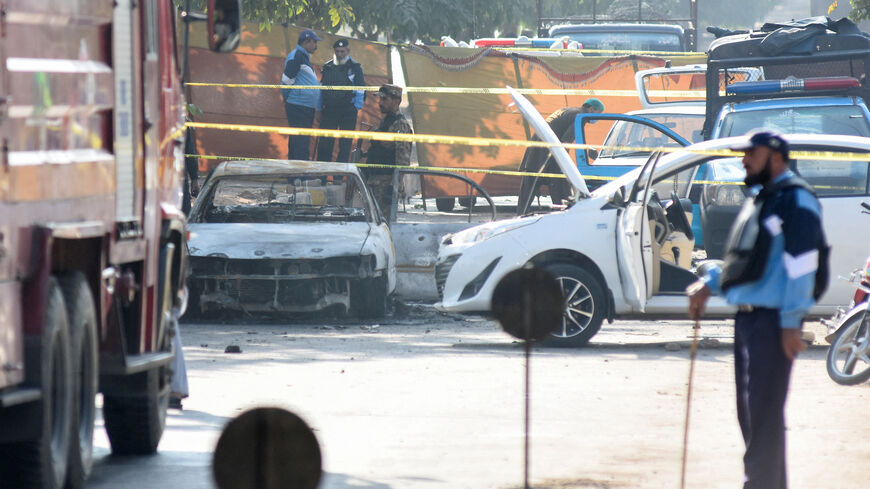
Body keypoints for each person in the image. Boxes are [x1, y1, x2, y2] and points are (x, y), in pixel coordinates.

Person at [687, 129, 827, 489]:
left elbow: (802, 265)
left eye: (752, 153)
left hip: (772, 323)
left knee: (762, 417)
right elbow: (745, 260)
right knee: (752, 417)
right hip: (750, 320)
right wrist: (710, 284)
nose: (743, 160)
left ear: (776, 157)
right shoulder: (764, 198)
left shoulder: (796, 201)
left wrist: (791, 322)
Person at [517, 98, 605, 214]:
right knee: (559, 183)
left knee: (529, 185)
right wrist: (566, 163)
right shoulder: (580, 117)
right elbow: (566, 140)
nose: (597, 118)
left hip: (537, 148)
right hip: (548, 152)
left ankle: (521, 213)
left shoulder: (569, 110)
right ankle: (564, 213)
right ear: (591, 109)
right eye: (598, 114)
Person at [363, 84, 412, 221]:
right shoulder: (386, 122)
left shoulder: (400, 125)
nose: (380, 103)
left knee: (385, 225)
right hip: (375, 182)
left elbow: (402, 159)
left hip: (386, 185)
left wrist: (394, 186)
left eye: (385, 99)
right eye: (380, 99)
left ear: (396, 101)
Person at [316, 39, 366, 163]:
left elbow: (361, 90)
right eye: (337, 51)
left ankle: (338, 178)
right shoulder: (328, 67)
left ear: (348, 51)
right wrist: (318, 109)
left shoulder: (355, 68)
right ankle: (321, 177)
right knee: (325, 144)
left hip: (347, 111)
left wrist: (355, 108)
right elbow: (321, 90)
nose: (340, 54)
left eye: (342, 51)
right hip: (329, 110)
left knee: (345, 145)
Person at [282, 29, 322, 160]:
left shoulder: (302, 56)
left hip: (304, 105)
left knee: (297, 141)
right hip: (298, 105)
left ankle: (294, 176)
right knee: (301, 142)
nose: (316, 46)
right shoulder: (297, 56)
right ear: (306, 41)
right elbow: (286, 81)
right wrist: (289, 99)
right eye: (314, 42)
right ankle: (301, 176)